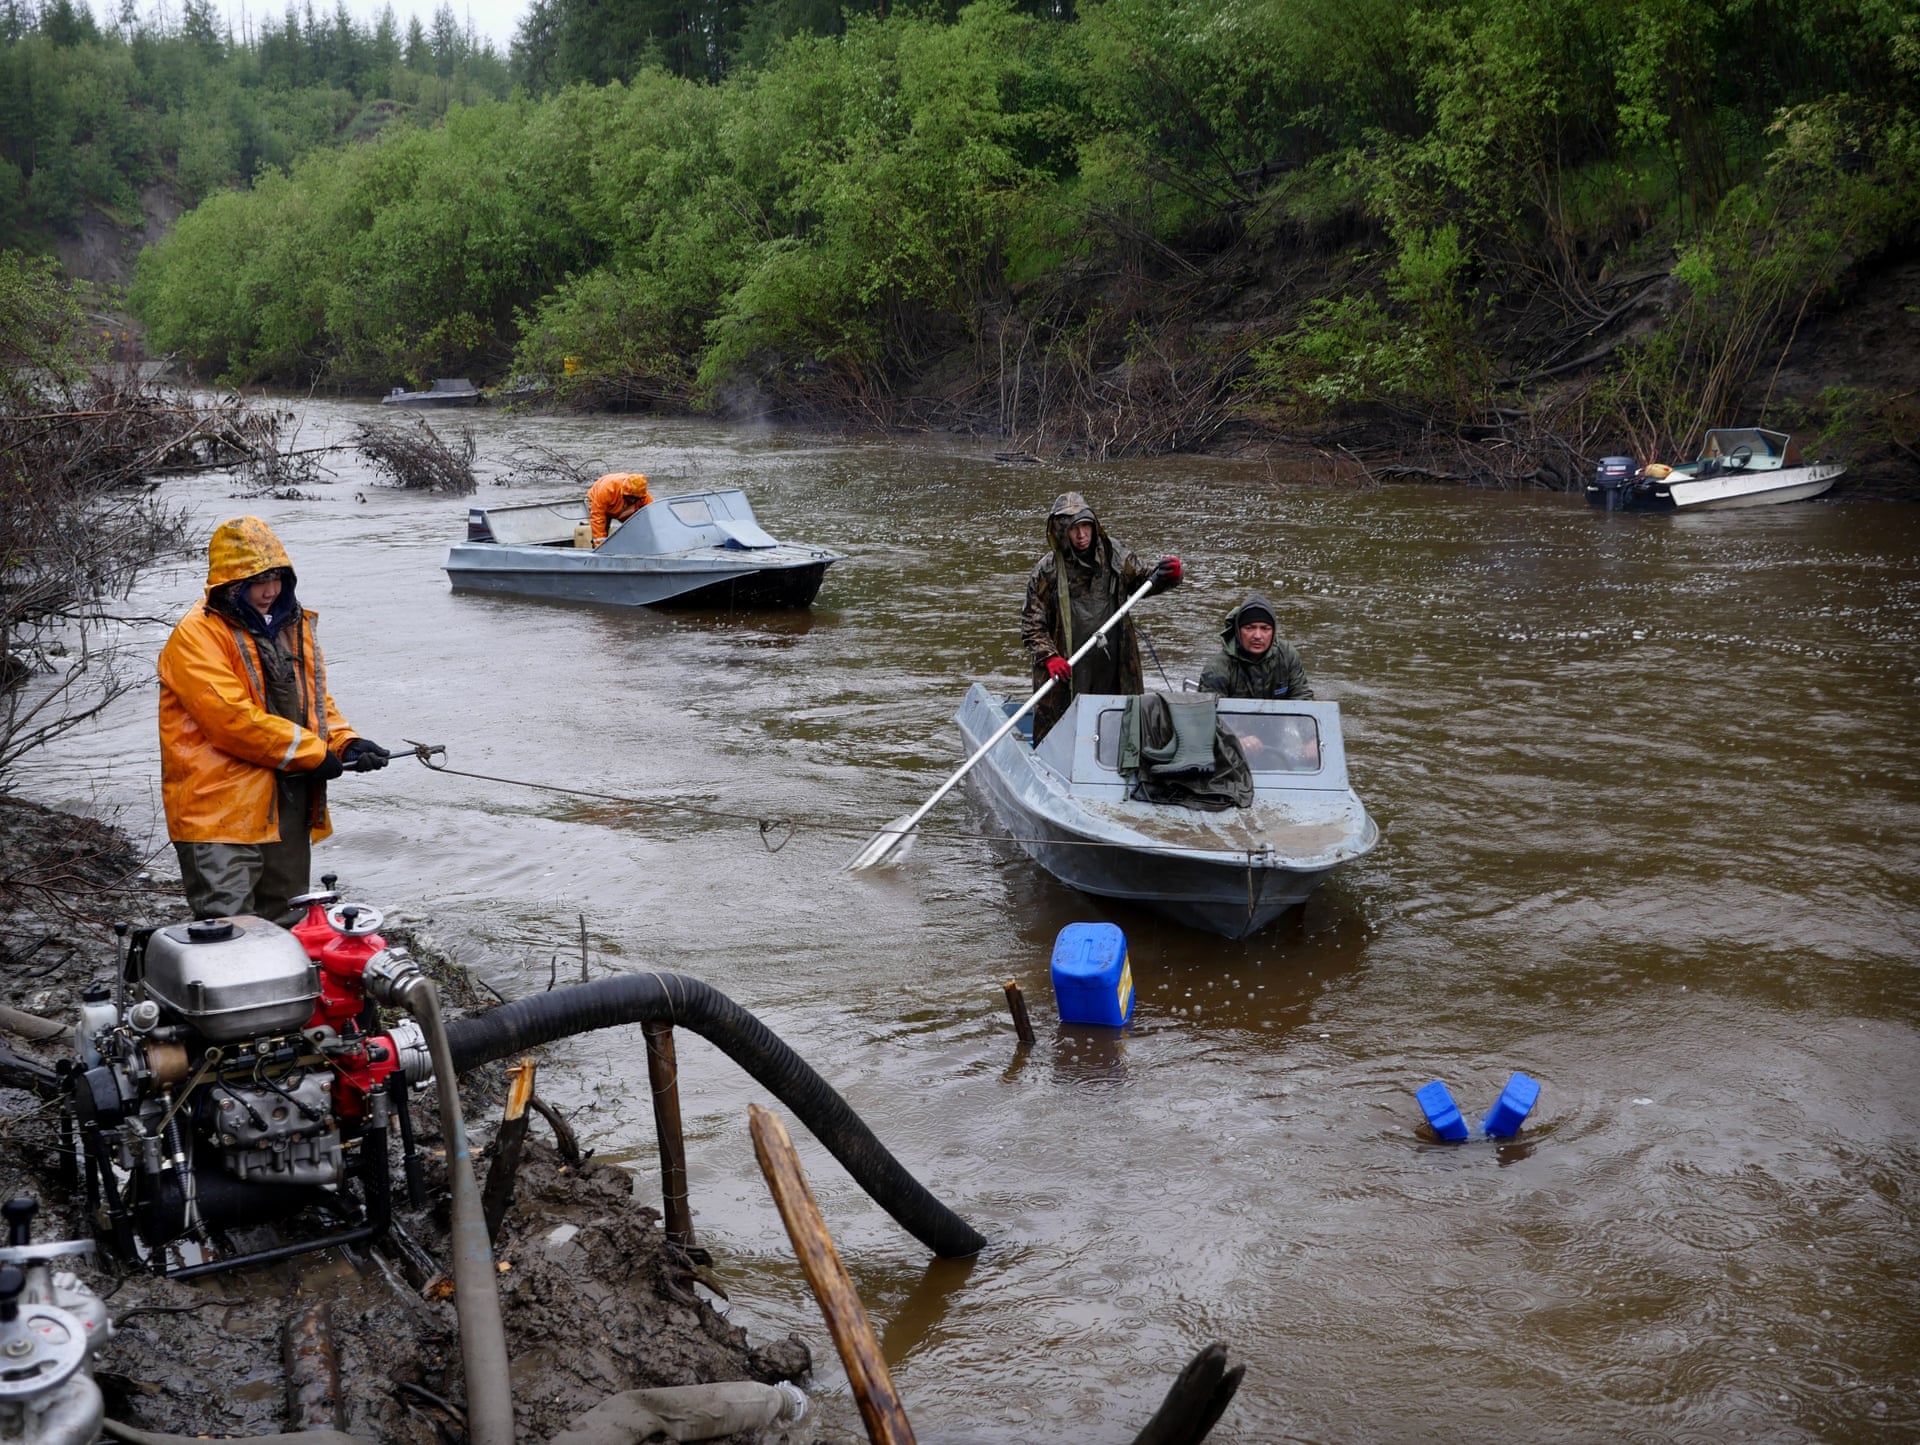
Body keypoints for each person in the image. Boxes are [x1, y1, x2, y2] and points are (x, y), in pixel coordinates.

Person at [157, 516, 388, 925]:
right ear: (229, 582)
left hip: (287, 802)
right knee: (226, 928)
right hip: (218, 812)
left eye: (277, 577)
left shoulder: (289, 625)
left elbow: (311, 705)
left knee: (290, 921)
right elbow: (230, 719)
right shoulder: (195, 636)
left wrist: (344, 742)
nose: (269, 591)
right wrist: (313, 753)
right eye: (257, 580)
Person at [1021, 492, 1181, 744]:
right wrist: (1049, 657)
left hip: (1112, 658)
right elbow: (1032, 624)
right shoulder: (1047, 570)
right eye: (1075, 529)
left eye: (1086, 526)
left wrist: (1168, 576)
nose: (1082, 535)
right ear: (1063, 531)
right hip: (1068, 663)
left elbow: (1143, 582)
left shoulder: (1115, 555)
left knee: (1117, 723)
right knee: (1060, 727)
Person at [1198, 594, 1313, 702]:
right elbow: (1208, 715)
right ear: (1238, 631)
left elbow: (1303, 699)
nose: (1257, 636)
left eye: (1265, 628)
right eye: (1249, 628)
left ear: (1273, 632)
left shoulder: (1287, 656)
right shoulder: (1217, 668)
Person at [587, 471, 652, 546]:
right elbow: (597, 517)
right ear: (625, 493)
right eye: (631, 498)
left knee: (636, 527)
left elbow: (652, 515)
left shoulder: (642, 495)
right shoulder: (607, 490)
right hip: (601, 503)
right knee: (602, 531)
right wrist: (599, 544)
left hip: (624, 509)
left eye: (636, 499)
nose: (633, 501)